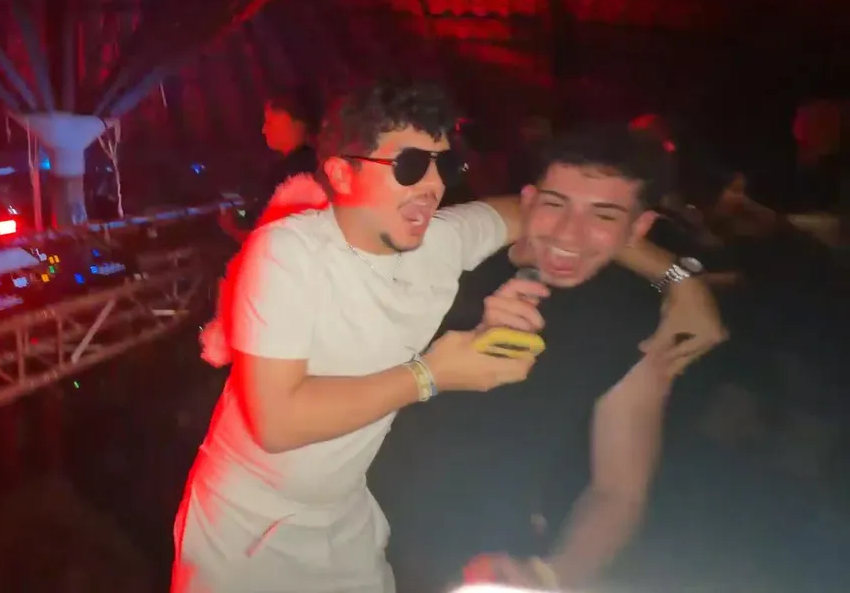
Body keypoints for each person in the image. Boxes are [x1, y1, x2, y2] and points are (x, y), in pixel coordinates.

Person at [171, 81, 727, 592]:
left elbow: (620, 489)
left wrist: (679, 278)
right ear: (342, 174)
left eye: (445, 165)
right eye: (411, 165)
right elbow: (276, 423)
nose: (436, 185)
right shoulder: (294, 250)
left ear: (637, 227)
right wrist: (432, 373)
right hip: (251, 534)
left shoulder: (448, 245)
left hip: (378, 535)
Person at [372, 124, 702, 591]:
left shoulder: (632, 324)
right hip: (344, 524)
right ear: (527, 201)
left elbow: (620, 490)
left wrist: (554, 573)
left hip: (482, 553)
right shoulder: (446, 265)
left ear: (639, 228)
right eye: (555, 204)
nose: (569, 233)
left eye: (604, 215)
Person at [220, 92, 320, 242]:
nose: (264, 130)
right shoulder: (313, 163)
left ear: (294, 124)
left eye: (270, 122)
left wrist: (232, 228)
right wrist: (241, 213)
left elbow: (273, 237)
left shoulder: (291, 174)